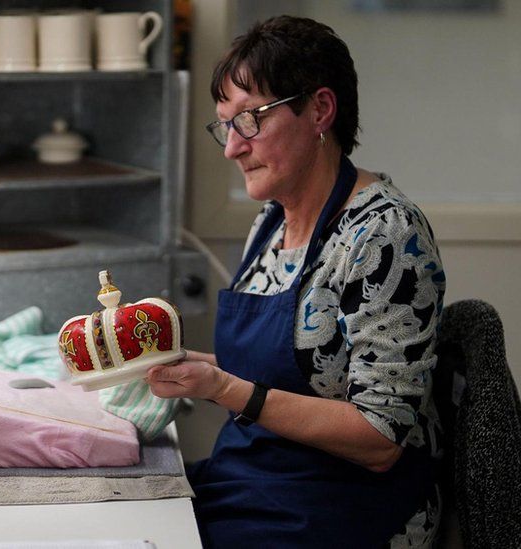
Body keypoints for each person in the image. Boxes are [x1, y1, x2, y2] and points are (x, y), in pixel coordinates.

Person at [145, 15, 446, 548]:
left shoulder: (383, 235)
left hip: (338, 511)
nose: (231, 148)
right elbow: (291, 374)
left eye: (249, 121)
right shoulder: (272, 222)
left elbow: (382, 437)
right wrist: (189, 368)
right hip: (254, 483)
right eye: (224, 124)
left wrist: (224, 388)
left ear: (320, 111)